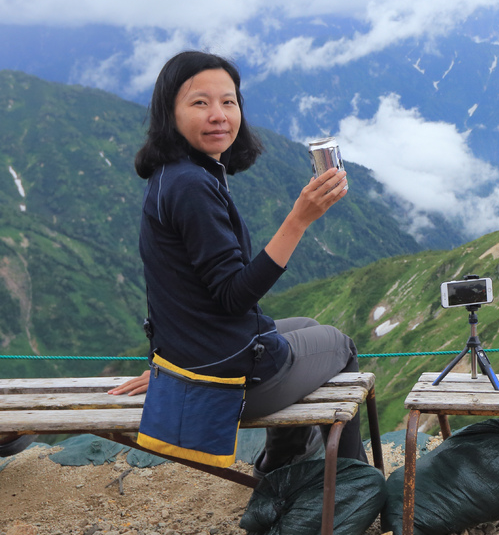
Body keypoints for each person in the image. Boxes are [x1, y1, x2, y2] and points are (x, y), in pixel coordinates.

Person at [109, 50, 365, 476]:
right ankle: (352, 483)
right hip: (226, 380)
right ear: (169, 112)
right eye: (199, 103)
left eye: (228, 102)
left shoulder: (174, 173)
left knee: (303, 326)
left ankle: (280, 464)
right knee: (340, 345)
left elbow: (175, 285)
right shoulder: (192, 185)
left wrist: (170, 361)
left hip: (197, 359)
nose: (218, 115)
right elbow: (233, 296)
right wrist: (299, 219)